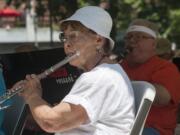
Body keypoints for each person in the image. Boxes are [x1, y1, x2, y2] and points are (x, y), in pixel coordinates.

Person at [13, 6, 135, 135]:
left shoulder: (100, 77)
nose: (66, 44)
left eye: (73, 36)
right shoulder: (103, 74)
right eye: (64, 37)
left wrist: (32, 96)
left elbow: (52, 123)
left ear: (98, 40)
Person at [120, 19, 180, 135]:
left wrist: (121, 80)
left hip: (151, 129)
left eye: (139, 37)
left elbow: (162, 98)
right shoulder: (118, 66)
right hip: (119, 125)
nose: (132, 41)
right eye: (128, 37)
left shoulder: (166, 68)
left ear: (154, 44)